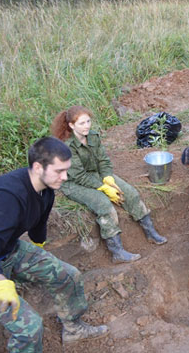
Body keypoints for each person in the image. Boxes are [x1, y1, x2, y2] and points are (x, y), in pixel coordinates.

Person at [0, 137, 109, 351]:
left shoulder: (45, 188)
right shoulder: (7, 196)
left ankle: (74, 329)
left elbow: (39, 220)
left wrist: (38, 246)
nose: (65, 177)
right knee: (30, 329)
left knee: (68, 276)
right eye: (59, 171)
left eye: (66, 170)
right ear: (38, 167)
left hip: (8, 250)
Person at [50, 106, 167, 264]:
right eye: (82, 123)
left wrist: (108, 179)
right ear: (71, 125)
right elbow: (78, 175)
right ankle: (117, 251)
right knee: (104, 205)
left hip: (95, 173)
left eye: (88, 121)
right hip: (73, 182)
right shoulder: (67, 146)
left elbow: (103, 161)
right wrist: (102, 187)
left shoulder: (92, 136)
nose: (87, 126)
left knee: (130, 193)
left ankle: (150, 232)